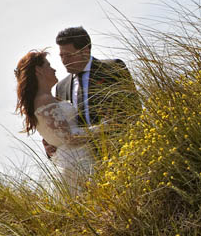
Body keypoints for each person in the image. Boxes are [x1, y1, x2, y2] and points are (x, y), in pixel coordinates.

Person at [43, 26, 140, 159]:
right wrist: (52, 146)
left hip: (122, 151)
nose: (64, 61)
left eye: (69, 55)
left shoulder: (112, 68)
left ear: (85, 51)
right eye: (61, 56)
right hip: (82, 159)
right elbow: (62, 126)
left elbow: (134, 107)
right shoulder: (61, 87)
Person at [15, 50, 95, 193]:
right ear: (39, 70)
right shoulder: (44, 100)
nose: (54, 69)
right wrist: (102, 129)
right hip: (76, 164)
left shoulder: (44, 99)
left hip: (71, 160)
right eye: (48, 65)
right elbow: (68, 137)